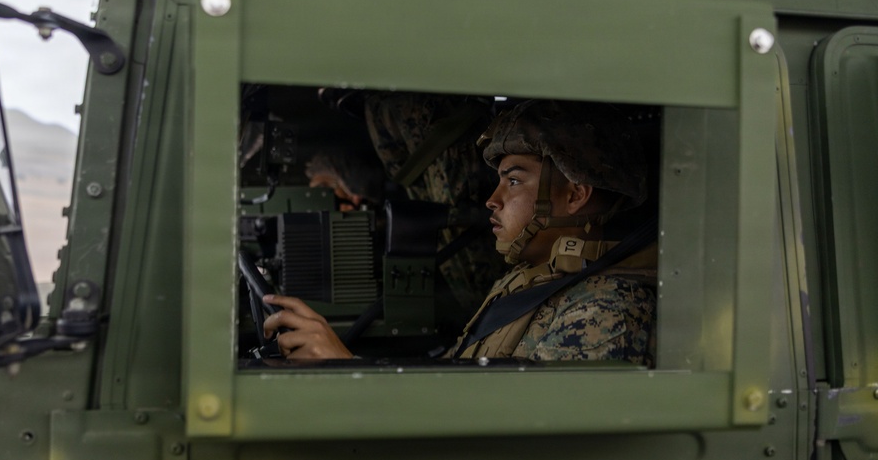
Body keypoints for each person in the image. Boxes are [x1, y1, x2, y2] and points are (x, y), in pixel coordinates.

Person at [262, 99, 657, 366]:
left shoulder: (606, 307)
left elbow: (513, 443)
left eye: (514, 181)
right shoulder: (526, 281)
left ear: (575, 195)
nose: (492, 199)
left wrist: (344, 368)